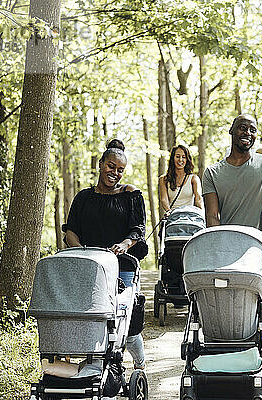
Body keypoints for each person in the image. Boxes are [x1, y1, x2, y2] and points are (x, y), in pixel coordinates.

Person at [62, 139, 148, 370]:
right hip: (90, 266)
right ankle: (97, 366)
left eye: (120, 170)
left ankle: (139, 365)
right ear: (101, 164)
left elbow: (138, 230)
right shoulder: (83, 198)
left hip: (123, 267)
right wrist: (80, 251)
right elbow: (71, 231)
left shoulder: (131, 196)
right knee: (93, 317)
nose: (115, 173)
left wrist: (125, 243)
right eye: (111, 166)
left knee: (125, 322)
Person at [202, 114, 262, 239]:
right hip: (227, 246)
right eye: (243, 128)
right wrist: (218, 243)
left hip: (261, 245)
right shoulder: (211, 173)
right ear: (231, 131)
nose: (248, 133)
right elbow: (212, 216)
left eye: (253, 130)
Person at [159, 144, 203, 214]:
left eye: (184, 157)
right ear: (173, 158)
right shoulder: (163, 179)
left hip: (189, 217)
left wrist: (201, 214)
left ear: (187, 160)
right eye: (177, 156)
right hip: (172, 216)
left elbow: (198, 199)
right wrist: (168, 211)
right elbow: (164, 199)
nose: (180, 160)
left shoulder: (193, 178)